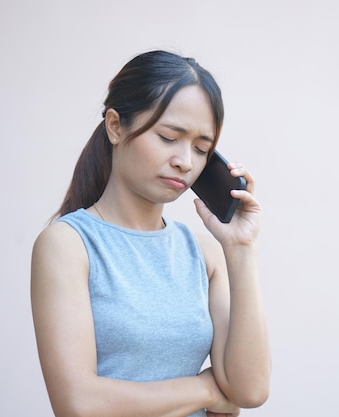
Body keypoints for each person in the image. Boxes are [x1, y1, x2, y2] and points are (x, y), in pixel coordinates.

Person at [30, 50, 271, 417]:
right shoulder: (68, 245)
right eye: (168, 137)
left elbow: (250, 390)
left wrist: (241, 248)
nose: (185, 161)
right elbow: (79, 404)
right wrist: (204, 389)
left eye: (201, 148)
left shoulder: (205, 254)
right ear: (115, 126)